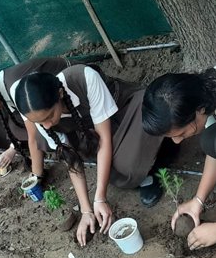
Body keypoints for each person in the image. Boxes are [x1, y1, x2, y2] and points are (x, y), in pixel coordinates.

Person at [14, 65, 165, 246]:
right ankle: (142, 156)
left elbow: (104, 140)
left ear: (60, 94)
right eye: (39, 122)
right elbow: (72, 161)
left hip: (126, 114)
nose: (46, 125)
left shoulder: (84, 78)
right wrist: (86, 210)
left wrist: (100, 198)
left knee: (125, 166)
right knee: (112, 168)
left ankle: (156, 158)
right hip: (100, 132)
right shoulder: (41, 119)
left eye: (49, 116)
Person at [142, 68, 216, 250]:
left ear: (199, 111)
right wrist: (198, 200)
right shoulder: (203, 95)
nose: (177, 141)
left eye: (181, 133)